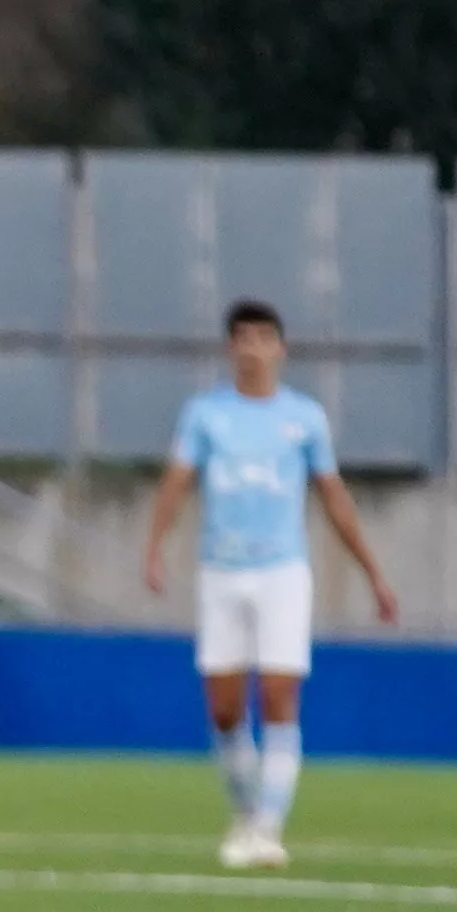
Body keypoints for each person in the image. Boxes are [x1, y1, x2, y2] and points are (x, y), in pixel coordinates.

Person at [142, 299, 401, 869]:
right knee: (226, 707)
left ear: (280, 348)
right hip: (221, 572)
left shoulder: (304, 417)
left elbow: (332, 495)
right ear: (230, 347)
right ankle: (243, 812)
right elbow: (178, 480)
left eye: (264, 337)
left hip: (283, 571)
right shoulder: (205, 414)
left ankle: (267, 827)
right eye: (243, 337)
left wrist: (374, 573)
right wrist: (155, 546)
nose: (254, 348)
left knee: (280, 695)